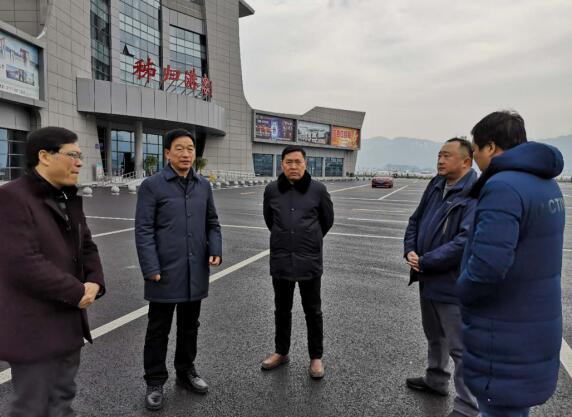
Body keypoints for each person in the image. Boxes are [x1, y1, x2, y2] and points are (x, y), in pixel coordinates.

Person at [458, 111, 565, 417]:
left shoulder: (503, 186)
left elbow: (488, 266)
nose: (475, 160)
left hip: (502, 330)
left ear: (491, 147)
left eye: (476, 151)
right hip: (534, 324)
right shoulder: (547, 185)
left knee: (499, 408)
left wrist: (463, 290)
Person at [0, 126, 106, 417]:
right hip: (33, 328)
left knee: (62, 398)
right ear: (44, 156)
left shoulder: (66, 196)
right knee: (33, 406)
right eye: (73, 155)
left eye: (80, 156)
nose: (80, 163)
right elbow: (22, 263)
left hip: (68, 323)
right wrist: (77, 291)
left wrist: (95, 281)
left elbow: (87, 245)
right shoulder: (11, 197)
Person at [135, 128, 222, 411]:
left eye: (190, 149)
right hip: (163, 271)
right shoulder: (152, 186)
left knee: (189, 326)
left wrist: (215, 249)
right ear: (167, 153)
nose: (186, 154)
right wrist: (150, 267)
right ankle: (154, 381)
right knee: (158, 329)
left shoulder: (203, 185)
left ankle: (185, 372)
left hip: (195, 269)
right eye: (180, 149)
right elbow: (144, 230)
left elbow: (212, 222)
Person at [404, 138, 479, 417]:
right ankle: (436, 379)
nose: (440, 160)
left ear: (466, 161)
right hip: (426, 276)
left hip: (451, 281)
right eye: (439, 155)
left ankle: (468, 406)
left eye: (447, 156)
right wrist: (410, 250)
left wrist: (426, 261)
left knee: (459, 347)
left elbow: (464, 241)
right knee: (434, 334)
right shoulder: (436, 184)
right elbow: (415, 220)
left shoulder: (474, 193)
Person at [261, 145, 334, 379]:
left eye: (298, 162)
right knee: (282, 310)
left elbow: (327, 220)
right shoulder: (272, 190)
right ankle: (281, 352)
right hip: (281, 260)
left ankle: (316, 357)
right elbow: (269, 220)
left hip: (309, 260)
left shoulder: (318, 190)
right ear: (282, 164)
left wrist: (309, 239)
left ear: (305, 164)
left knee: (313, 311)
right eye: (289, 162)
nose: (294, 166)